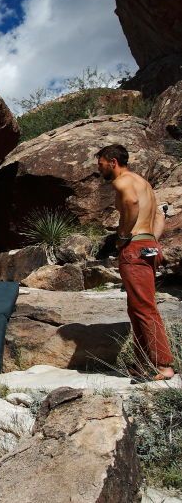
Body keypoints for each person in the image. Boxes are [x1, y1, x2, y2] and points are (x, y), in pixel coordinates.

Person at [96, 144, 175, 381]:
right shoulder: (144, 183)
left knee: (143, 307)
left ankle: (164, 365)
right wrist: (152, 242)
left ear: (112, 161)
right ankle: (141, 363)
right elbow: (159, 215)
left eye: (100, 164)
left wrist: (123, 236)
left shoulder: (122, 182)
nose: (99, 169)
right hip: (149, 246)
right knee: (137, 308)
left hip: (135, 249)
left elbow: (130, 203)